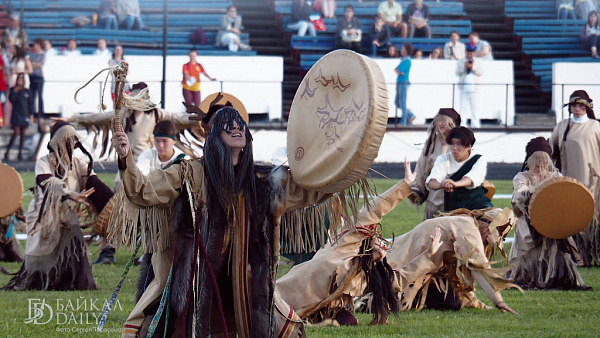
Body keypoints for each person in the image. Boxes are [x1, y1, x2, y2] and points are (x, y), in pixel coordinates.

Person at [109, 106, 347, 337]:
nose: (236, 128)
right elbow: (143, 190)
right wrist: (125, 156)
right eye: (227, 126)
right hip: (194, 282)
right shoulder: (190, 173)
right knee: (160, 328)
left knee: (283, 327)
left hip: (245, 286)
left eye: (240, 125)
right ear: (214, 137)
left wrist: (346, 157)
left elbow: (310, 188)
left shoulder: (262, 180)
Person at [278, 166, 518, 324]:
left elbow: (459, 275)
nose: (491, 241)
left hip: (307, 297)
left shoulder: (360, 265)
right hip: (290, 294)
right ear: (486, 225)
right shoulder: (466, 228)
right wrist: (498, 301)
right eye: (494, 234)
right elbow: (479, 266)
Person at [3, 122, 113, 290]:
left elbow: (97, 187)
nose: (69, 144)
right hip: (43, 218)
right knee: (37, 267)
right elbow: (47, 182)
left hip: (69, 217)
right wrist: (69, 194)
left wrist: (117, 205)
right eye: (65, 140)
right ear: (55, 142)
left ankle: (72, 282)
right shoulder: (44, 162)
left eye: (72, 140)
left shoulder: (79, 165)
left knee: (79, 260)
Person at [506, 137, 589, 290]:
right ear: (529, 162)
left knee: (556, 240)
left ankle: (556, 275)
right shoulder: (521, 177)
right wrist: (530, 195)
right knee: (528, 239)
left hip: (552, 221)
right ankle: (528, 275)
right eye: (536, 161)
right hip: (529, 222)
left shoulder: (554, 176)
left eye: (543, 161)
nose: (540, 165)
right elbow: (520, 191)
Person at [550, 90, 600, 267]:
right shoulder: (562, 126)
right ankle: (578, 256)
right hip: (569, 181)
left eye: (580, 106)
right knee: (573, 218)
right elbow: (552, 151)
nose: (577, 109)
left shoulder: (596, 126)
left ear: (587, 107)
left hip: (593, 181)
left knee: (593, 218)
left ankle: (596, 254)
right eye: (574, 105)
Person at [408, 108, 461, 220]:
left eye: (444, 120)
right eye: (438, 120)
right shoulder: (431, 143)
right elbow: (422, 165)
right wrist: (416, 187)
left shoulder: (460, 143)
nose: (440, 123)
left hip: (454, 195)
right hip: (434, 194)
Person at [427, 126, 492, 212]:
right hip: (453, 206)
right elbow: (431, 181)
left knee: (492, 216)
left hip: (477, 203)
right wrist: (442, 184)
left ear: (469, 146)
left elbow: (471, 179)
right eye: (452, 144)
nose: (454, 148)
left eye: (459, 144)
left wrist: (455, 184)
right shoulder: (443, 159)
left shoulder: (478, 159)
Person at [4, 74, 33, 161]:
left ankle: (20, 153)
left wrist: (31, 115)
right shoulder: (13, 90)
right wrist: (16, 92)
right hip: (16, 114)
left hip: (25, 114)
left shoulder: (27, 91)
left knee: (23, 134)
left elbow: (30, 104)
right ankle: (8, 151)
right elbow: (12, 100)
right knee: (16, 132)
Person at [456, 43, 483, 128]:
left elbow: (480, 72)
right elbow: (457, 73)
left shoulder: (478, 62)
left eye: (471, 53)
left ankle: (475, 124)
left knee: (474, 107)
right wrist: (464, 67)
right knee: (463, 107)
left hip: (474, 86)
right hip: (464, 86)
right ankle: (462, 124)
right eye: (468, 52)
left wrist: (472, 67)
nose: (469, 55)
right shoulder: (461, 61)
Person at [394, 43, 415, 126]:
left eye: (403, 49)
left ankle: (403, 122)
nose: (401, 50)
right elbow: (397, 70)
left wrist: (398, 71)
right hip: (400, 82)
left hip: (403, 82)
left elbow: (399, 70)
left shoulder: (407, 61)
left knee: (403, 102)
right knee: (398, 102)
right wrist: (398, 71)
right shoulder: (403, 59)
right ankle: (410, 115)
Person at [29, 38, 45, 132]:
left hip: (38, 77)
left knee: (39, 97)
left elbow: (40, 65)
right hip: (32, 76)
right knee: (31, 96)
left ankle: (40, 115)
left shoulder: (43, 55)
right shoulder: (32, 54)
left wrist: (31, 64)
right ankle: (32, 114)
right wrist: (33, 64)